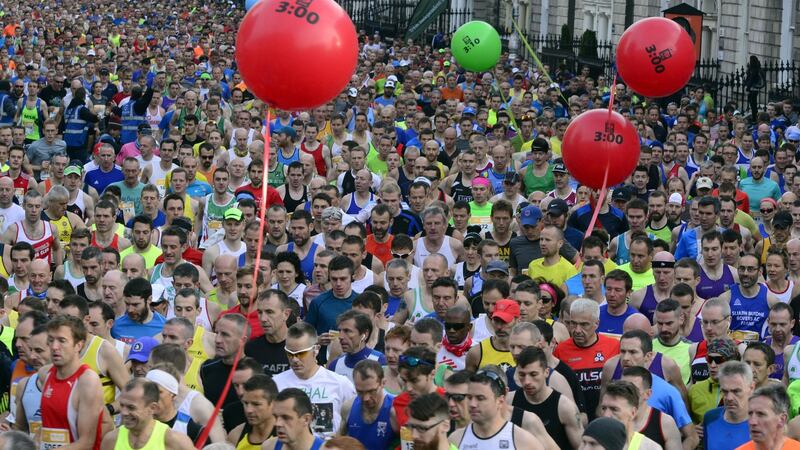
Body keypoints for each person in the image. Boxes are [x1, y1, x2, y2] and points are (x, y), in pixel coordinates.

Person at [273, 322, 356, 438]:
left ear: (316, 349)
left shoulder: (340, 383)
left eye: (301, 354)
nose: (295, 360)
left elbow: (353, 421)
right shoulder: (276, 383)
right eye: (290, 354)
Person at [40, 315, 105, 450]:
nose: (54, 347)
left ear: (78, 345)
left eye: (62, 341)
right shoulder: (46, 374)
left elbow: (87, 443)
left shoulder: (87, 381)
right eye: (51, 340)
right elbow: (46, 427)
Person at [555, 299, 620, 420]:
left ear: (597, 324)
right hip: (575, 419)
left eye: (584, 324)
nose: (577, 330)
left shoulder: (614, 347)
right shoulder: (560, 350)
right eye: (573, 323)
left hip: (606, 417)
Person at [448, 368, 543, 450]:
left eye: (480, 398)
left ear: (500, 401)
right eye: (469, 398)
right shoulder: (456, 439)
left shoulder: (523, 441)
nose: (473, 404)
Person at [509, 346, 583, 449]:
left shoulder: (565, 407)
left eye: (533, 374)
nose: (527, 382)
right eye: (522, 375)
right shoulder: (509, 400)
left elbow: (582, 447)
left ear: (546, 372)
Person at [100, 378, 195, 450]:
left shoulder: (174, 441)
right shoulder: (111, 440)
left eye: (131, 407)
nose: (124, 412)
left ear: (152, 408)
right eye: (122, 405)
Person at [621, 367, 685, 450]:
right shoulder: (610, 419)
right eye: (621, 388)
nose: (624, 393)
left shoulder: (665, 423)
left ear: (648, 394)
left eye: (631, 389)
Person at [339, 359, 398, 448]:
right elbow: (338, 442)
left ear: (383, 383)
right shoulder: (348, 407)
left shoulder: (395, 410)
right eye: (360, 392)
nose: (366, 398)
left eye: (371, 391)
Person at [703, 361, 755, 450]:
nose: (729, 398)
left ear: (751, 388)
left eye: (736, 391)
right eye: (725, 391)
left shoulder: (764, 423)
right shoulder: (710, 418)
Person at [598, 381, 663, 450]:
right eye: (603, 408)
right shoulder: (591, 443)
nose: (606, 415)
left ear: (633, 412)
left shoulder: (650, 448)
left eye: (614, 409)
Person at [244, 289, 292, 376]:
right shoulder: (251, 349)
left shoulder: (301, 347)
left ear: (286, 314)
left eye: (269, 312)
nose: (263, 319)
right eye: (259, 312)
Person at [465, 299, 519, 372]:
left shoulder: (526, 351)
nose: (499, 327)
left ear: (517, 320)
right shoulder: (477, 353)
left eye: (505, 322)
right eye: (496, 321)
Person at [226, 374, 279, 450]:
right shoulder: (235, 435)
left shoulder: (286, 436)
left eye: (256, 404)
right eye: (246, 403)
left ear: (273, 403)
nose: (248, 410)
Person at [261, 388, 325, 450]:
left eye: (286, 418)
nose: (277, 424)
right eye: (276, 417)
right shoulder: (269, 446)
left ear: (306, 419)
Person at [111, 277, 166, 343]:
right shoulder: (116, 326)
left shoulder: (164, 326)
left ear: (149, 299)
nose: (130, 310)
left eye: (135, 305)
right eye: (127, 304)